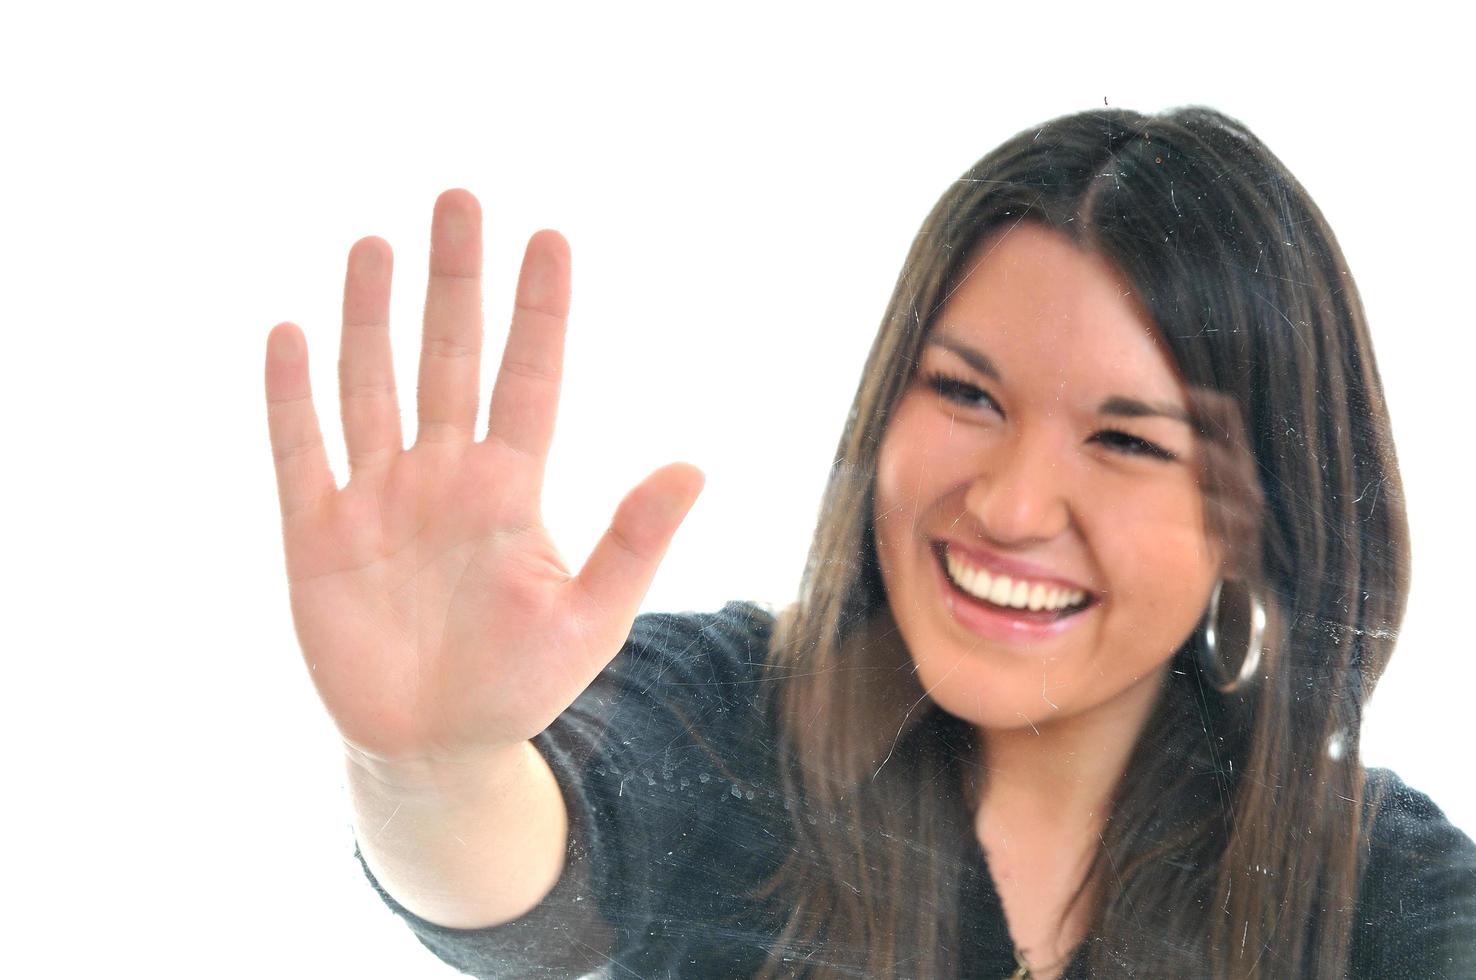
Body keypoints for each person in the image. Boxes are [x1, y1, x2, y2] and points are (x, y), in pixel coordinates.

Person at [263, 106, 1476, 978]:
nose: (1007, 506)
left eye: (1126, 441)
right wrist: (432, 763)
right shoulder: (725, 715)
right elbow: (519, 886)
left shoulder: (1366, 880)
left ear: (1264, 515)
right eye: (967, 394)